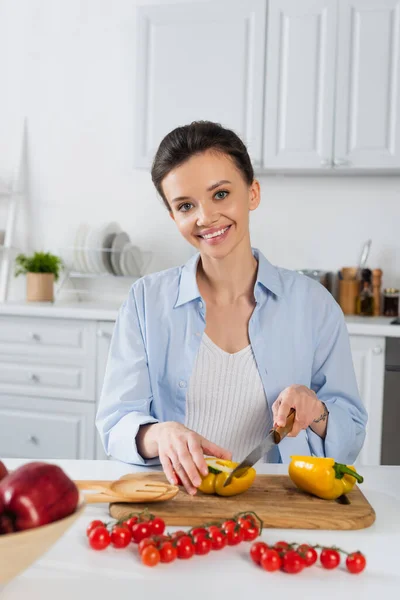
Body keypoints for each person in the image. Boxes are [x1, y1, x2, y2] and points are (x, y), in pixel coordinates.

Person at [96, 121, 367, 495]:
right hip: (175, 503)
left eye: (220, 194)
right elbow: (116, 424)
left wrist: (316, 410)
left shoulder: (314, 306)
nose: (205, 217)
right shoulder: (145, 302)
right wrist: (162, 434)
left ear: (252, 193)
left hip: (281, 505)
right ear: (174, 217)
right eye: (186, 205)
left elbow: (351, 436)